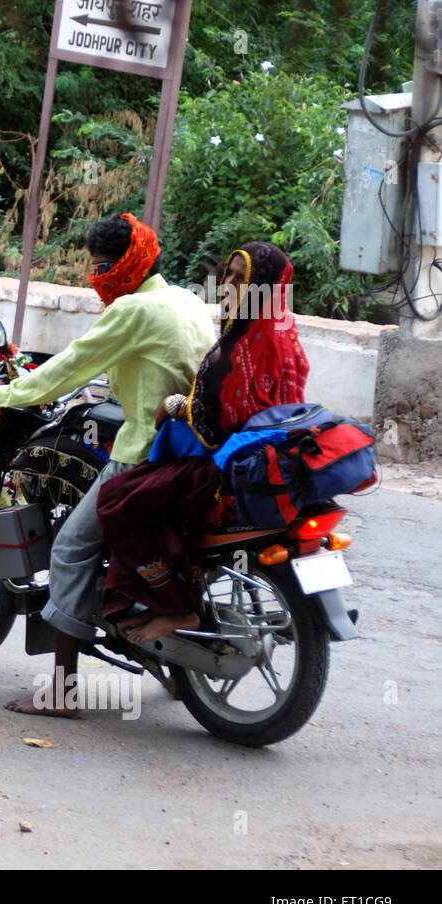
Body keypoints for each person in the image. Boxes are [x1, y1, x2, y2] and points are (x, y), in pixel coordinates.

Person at [0, 213, 215, 718]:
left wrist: (0, 392)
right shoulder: (187, 300)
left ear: (128, 264)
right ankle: (165, 663)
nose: (99, 274)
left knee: (70, 548)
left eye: (106, 265)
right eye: (95, 265)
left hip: (142, 451)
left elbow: (70, 365)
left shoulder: (131, 311)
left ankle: (61, 693)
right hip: (194, 447)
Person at [96, 241, 309, 645]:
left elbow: (213, 426)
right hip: (270, 461)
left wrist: (172, 404)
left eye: (239, 278)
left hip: (223, 470)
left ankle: (176, 607)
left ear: (263, 286)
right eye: (227, 275)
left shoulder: (240, 346)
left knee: (115, 500)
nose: (227, 285)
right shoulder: (287, 334)